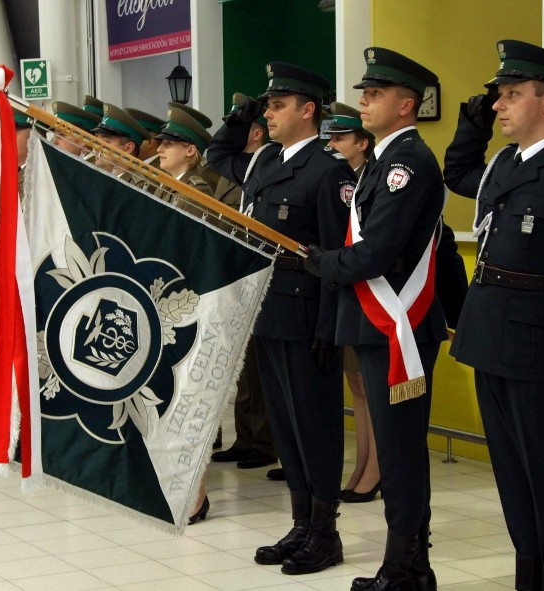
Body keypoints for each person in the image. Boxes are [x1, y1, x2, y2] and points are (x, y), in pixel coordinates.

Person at [304, 47, 447, 591]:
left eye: (375, 94)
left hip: (398, 326)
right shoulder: (383, 161)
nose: (364, 101)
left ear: (406, 104)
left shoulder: (406, 164)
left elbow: (377, 253)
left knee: (402, 451)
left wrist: (318, 261)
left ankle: (408, 567)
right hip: (376, 321)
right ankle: (406, 564)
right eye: (364, 92)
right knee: (395, 448)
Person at [443, 40, 544, 591]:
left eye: (512, 95)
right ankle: (529, 569)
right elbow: (458, 174)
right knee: (511, 477)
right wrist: (472, 124)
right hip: (490, 344)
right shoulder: (504, 168)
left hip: (539, 357)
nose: (500, 105)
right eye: (498, 96)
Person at [208, 61, 354, 576]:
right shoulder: (266, 160)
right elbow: (218, 154)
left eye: (276, 105)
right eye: (265, 105)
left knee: (315, 426)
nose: (267, 115)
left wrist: (330, 328)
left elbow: (337, 254)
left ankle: (325, 532)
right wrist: (239, 113)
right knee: (287, 428)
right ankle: (299, 523)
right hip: (268, 310)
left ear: (307, 110)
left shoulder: (330, 169)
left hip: (308, 316)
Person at [210, 92, 278, 471]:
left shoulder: (281, 164)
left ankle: (264, 440)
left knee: (261, 369)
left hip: (271, 280)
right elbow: (217, 154)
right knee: (245, 368)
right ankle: (248, 436)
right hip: (242, 276)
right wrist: (237, 120)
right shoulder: (253, 165)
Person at [325, 103, 382, 503]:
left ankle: (375, 469)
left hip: (378, 298)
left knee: (371, 387)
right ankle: (363, 462)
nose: (333, 145)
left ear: (362, 143)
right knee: (357, 386)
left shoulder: (373, 178)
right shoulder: (347, 178)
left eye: (342, 138)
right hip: (351, 295)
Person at [90, 102, 149, 180]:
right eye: (97, 142)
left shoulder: (138, 188)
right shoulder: (101, 179)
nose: (96, 148)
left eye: (105, 143)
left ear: (128, 148)